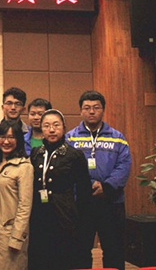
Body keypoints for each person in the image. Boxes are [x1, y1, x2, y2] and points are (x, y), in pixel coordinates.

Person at [65, 90, 132, 270]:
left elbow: (124, 165)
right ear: (80, 111)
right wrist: (87, 185)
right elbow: (67, 166)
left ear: (103, 110)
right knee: (80, 249)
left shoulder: (118, 138)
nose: (92, 111)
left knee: (114, 249)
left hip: (111, 201)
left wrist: (107, 186)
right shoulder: (70, 138)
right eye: (87, 108)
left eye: (96, 107)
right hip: (81, 202)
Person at [28, 109, 92, 270]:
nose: (51, 130)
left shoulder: (74, 155)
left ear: (64, 127)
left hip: (64, 214)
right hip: (39, 214)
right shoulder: (36, 153)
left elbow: (84, 193)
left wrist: (82, 222)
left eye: (56, 125)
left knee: (62, 257)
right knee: (39, 257)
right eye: (46, 126)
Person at [0, 120, 33, 270]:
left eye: (11, 137)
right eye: (3, 137)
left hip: (10, 235)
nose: (6, 141)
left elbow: (25, 206)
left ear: (18, 140)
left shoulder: (24, 167)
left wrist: (17, 238)